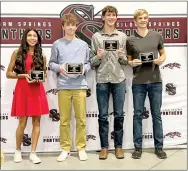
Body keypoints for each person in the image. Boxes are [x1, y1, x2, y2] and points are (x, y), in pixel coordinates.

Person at [49, 13, 91, 161]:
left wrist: (84, 69)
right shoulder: (57, 44)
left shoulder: (83, 44)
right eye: (68, 25)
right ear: (63, 26)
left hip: (80, 85)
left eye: (73, 25)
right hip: (63, 86)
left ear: (76, 26)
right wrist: (59, 67)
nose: (71, 27)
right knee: (64, 120)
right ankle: (65, 148)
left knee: (81, 120)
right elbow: (51, 63)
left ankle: (81, 148)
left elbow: (88, 63)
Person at [126, 9, 167, 159]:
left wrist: (161, 60)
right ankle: (138, 148)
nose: (143, 20)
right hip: (138, 82)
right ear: (135, 21)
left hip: (155, 81)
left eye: (145, 18)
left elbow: (163, 54)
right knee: (137, 115)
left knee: (156, 115)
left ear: (148, 19)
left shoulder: (156, 35)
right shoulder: (130, 40)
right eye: (140, 18)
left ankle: (159, 147)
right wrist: (131, 62)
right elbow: (129, 60)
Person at [6, 28, 49, 164]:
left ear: (38, 39)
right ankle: (18, 151)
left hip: (37, 90)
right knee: (22, 123)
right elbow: (8, 73)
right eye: (29, 35)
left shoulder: (42, 56)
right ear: (25, 38)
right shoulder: (16, 53)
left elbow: (44, 75)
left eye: (34, 36)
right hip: (22, 90)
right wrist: (23, 75)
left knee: (36, 122)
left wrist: (40, 78)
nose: (32, 38)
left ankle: (33, 153)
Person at [91, 6, 128, 160]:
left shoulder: (122, 36)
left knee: (119, 115)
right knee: (103, 116)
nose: (111, 17)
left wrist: (121, 56)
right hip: (102, 80)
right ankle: (104, 147)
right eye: (108, 15)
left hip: (119, 79)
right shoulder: (96, 37)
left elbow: (125, 61)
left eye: (113, 15)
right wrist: (99, 56)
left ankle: (118, 147)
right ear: (103, 18)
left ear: (116, 18)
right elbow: (92, 62)